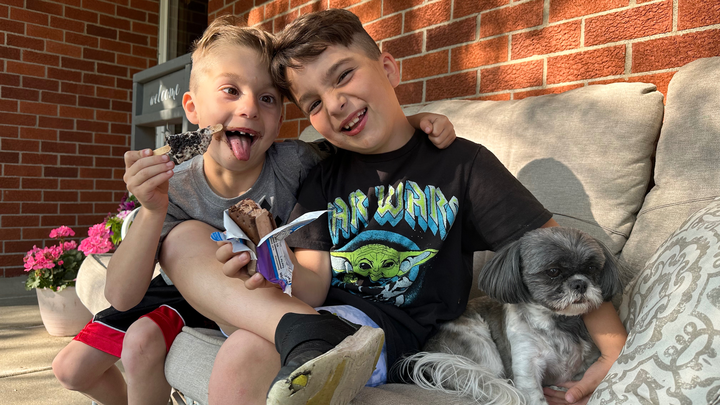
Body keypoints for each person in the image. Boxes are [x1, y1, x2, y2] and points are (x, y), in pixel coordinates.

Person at [51, 14, 455, 405]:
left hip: (255, 293)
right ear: (192, 108)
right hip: (190, 284)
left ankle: (306, 330)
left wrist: (412, 122)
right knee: (70, 369)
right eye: (231, 90)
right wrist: (152, 210)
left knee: (142, 341)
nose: (249, 108)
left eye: (267, 98)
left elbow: (361, 142)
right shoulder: (175, 185)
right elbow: (121, 296)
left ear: (280, 118)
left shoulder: (296, 162)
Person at [258, 8, 624, 405]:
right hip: (322, 321)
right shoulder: (320, 178)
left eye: (344, 75)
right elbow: (312, 286)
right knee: (248, 344)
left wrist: (613, 350)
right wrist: (265, 261)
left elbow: (562, 255)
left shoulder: (464, 166)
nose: (333, 104)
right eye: (313, 104)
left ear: (388, 69)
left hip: (397, 339)